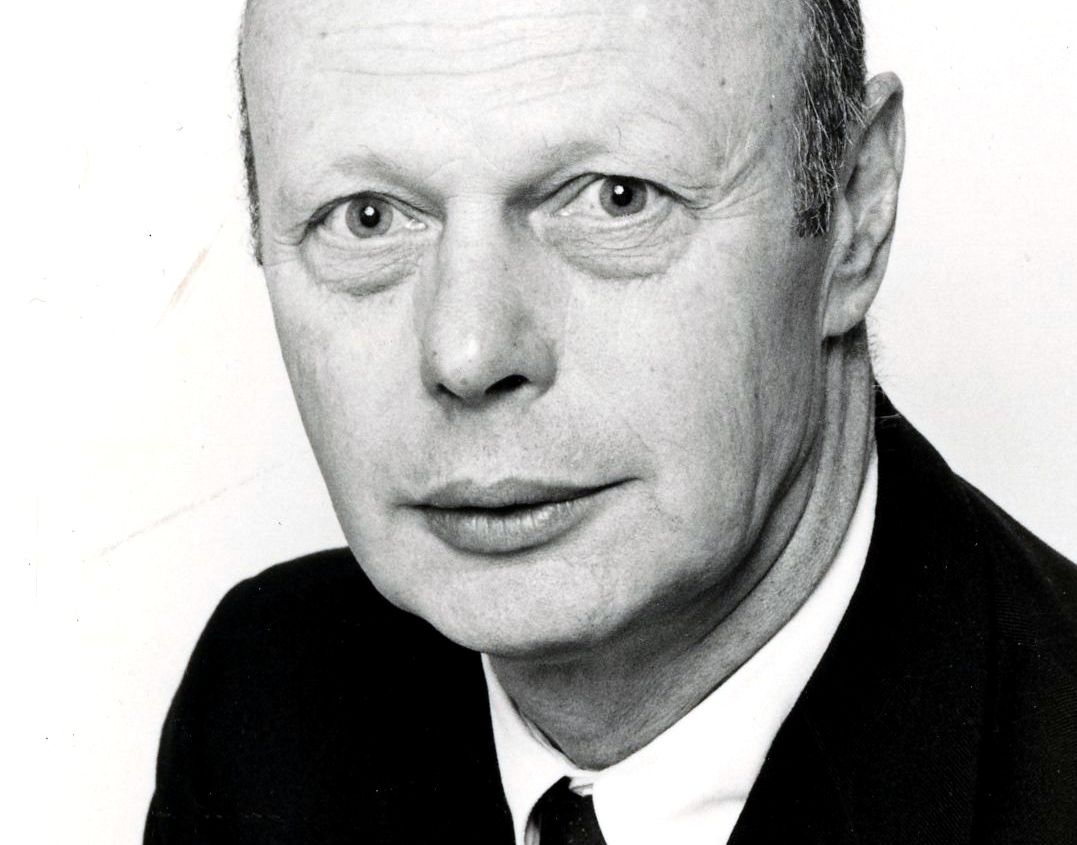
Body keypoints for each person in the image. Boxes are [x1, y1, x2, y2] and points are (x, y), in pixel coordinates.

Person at [145, 0, 1077, 842]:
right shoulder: (264, 700)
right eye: (367, 217)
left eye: (614, 197)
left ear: (852, 213)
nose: (468, 353)